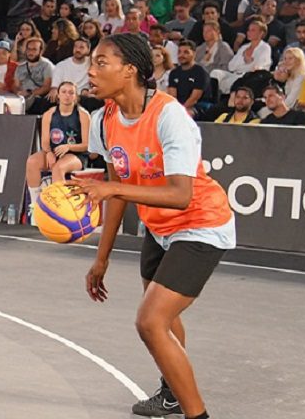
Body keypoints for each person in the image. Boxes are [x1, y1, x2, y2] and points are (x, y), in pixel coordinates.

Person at [67, 32, 234, 419]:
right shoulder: (104, 120)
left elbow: (180, 194)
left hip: (200, 224)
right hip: (158, 228)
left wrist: (112, 188)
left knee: (150, 321)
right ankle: (172, 394)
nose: (90, 71)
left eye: (101, 63)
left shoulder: (169, 116)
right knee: (165, 320)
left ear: (129, 71)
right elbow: (116, 193)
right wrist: (101, 259)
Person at [24, 81, 91, 222]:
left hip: (76, 154)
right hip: (54, 152)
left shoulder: (83, 115)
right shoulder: (49, 114)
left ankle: (59, 208)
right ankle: (36, 206)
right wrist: (48, 152)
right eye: (64, 92)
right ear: (58, 95)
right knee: (32, 162)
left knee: (58, 168)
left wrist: (69, 147)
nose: (67, 95)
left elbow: (87, 145)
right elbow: (45, 142)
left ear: (76, 97)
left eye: (71, 93)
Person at [167, 41, 210, 117]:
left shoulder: (200, 72)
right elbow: (173, 96)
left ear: (194, 54)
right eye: (179, 52)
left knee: (186, 114)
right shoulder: (174, 73)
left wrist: (180, 111)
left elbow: (194, 98)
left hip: (197, 105)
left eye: (186, 52)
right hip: (178, 106)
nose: (181, 55)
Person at [14, 37, 54, 113]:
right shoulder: (20, 67)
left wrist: (30, 93)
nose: (30, 52)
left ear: (40, 51)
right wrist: (18, 93)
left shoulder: (47, 65)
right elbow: (16, 85)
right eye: (29, 49)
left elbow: (46, 87)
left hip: (37, 98)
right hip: (22, 97)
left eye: (34, 49)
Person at [271, 47, 305, 111]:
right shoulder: (290, 76)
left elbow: (290, 101)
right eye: (285, 59)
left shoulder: (301, 77)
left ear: (298, 60)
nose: (286, 61)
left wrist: (274, 107)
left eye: (290, 58)